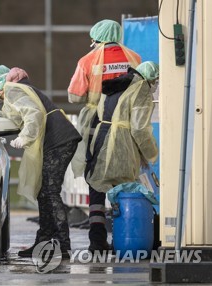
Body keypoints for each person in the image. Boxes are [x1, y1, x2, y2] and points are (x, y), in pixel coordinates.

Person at [0, 65, 82, 258]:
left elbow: (33, 113)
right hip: (58, 141)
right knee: (43, 192)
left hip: (58, 141)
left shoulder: (14, 90)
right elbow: (8, 116)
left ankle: (63, 244)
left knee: (50, 192)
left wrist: (25, 137)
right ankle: (44, 241)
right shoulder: (19, 89)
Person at [67, 19, 141, 252]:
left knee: (96, 181)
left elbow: (74, 97)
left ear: (96, 38)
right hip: (127, 125)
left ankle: (97, 241)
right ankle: (127, 236)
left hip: (97, 126)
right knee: (127, 178)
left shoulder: (87, 61)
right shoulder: (135, 58)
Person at [86, 61, 159, 195]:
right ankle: (129, 216)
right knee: (126, 188)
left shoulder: (118, 84)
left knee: (108, 186)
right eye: (156, 80)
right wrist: (152, 154)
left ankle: (102, 214)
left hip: (101, 138)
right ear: (150, 78)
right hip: (120, 142)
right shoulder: (141, 88)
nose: (156, 85)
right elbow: (139, 129)